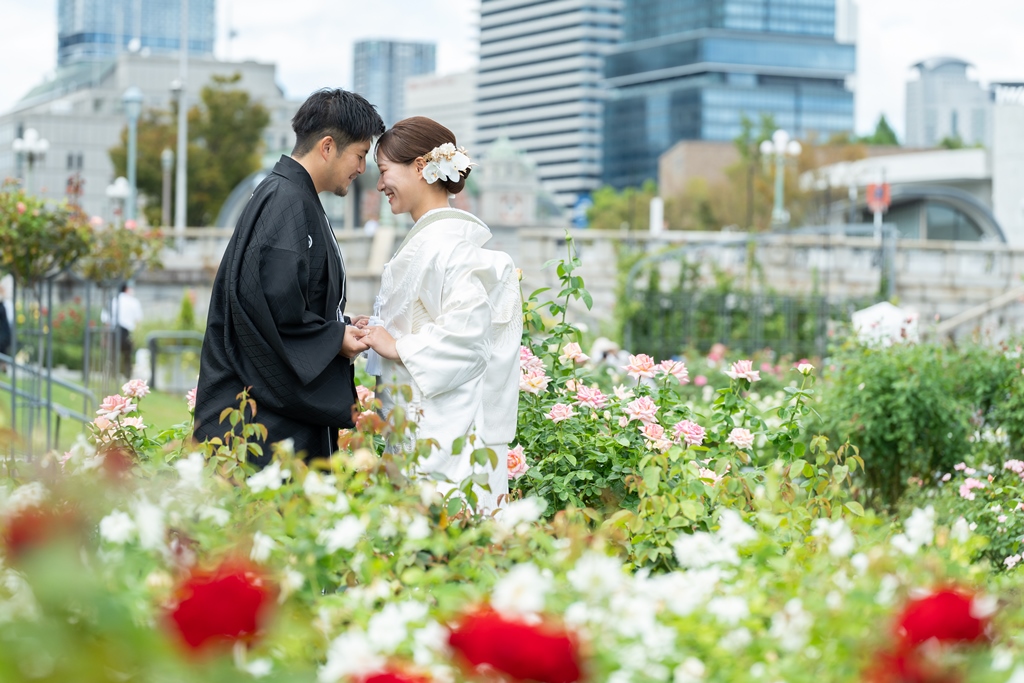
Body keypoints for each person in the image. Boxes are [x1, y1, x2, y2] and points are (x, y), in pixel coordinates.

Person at [193, 88, 384, 465]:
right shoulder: (287, 202)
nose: (362, 169)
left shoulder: (291, 196)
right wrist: (334, 339)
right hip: (262, 427)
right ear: (327, 147)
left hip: (268, 416)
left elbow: (289, 303)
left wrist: (341, 327)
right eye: (360, 155)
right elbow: (272, 317)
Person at [360, 117, 522, 511]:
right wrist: (380, 330)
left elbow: (468, 334)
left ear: (420, 167)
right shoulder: (437, 241)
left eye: (384, 171)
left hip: (442, 433)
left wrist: (397, 346)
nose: (380, 185)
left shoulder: (445, 245)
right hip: (425, 424)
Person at [101, 284, 144, 378]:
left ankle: (112, 375)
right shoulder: (133, 302)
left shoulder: (112, 301)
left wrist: (105, 337)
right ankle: (127, 375)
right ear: (127, 289)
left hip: (114, 331)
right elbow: (138, 321)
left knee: (113, 355)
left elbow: (106, 320)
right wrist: (136, 337)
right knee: (127, 356)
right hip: (127, 332)